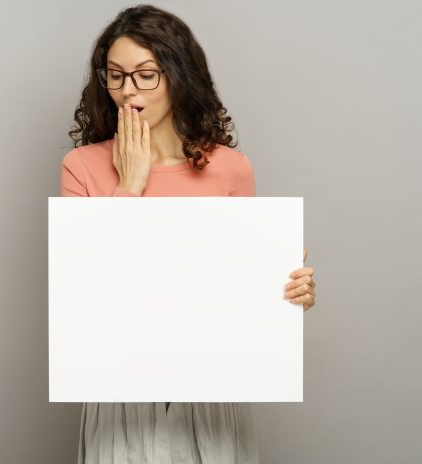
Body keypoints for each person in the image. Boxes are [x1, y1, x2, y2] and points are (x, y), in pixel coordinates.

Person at [60, 5, 317, 463]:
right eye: (115, 75)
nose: (127, 91)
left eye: (145, 75)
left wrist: (288, 293)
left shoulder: (230, 169)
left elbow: (240, 298)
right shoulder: (81, 168)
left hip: (211, 399)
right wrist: (129, 186)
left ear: (178, 76)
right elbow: (89, 293)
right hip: (120, 395)